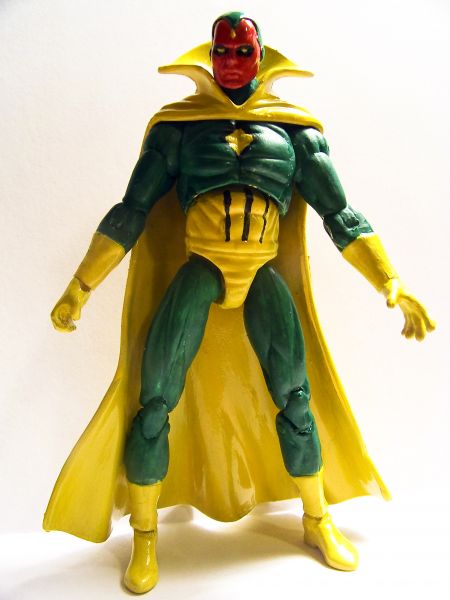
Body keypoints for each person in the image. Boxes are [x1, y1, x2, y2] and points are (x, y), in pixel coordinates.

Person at [45, 12, 435, 594]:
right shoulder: (179, 130)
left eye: (242, 51)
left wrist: (390, 282)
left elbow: (341, 214)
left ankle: (317, 519)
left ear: (261, 55)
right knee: (154, 403)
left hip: (259, 275)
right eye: (222, 51)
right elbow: (132, 211)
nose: (231, 62)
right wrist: (81, 285)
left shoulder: (295, 133)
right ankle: (146, 536)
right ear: (209, 56)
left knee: (296, 399)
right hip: (200, 270)